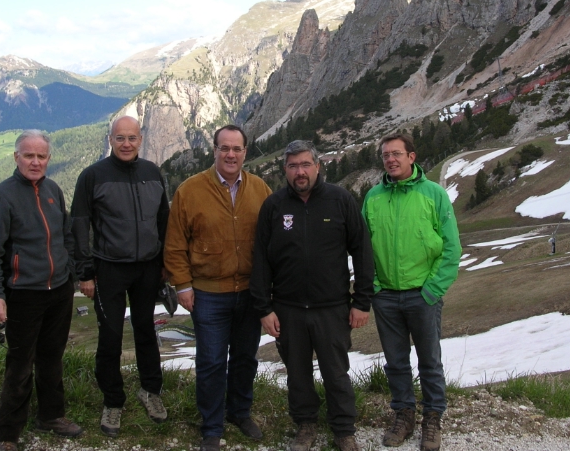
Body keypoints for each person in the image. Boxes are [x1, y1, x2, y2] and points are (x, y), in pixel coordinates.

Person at [251, 140, 374, 451]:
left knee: (336, 373)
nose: (300, 172)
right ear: (285, 170)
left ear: (318, 166)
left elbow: (362, 251)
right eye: (293, 166)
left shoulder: (340, 199)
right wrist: (264, 308)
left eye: (306, 164)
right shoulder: (274, 206)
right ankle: (305, 425)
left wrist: (362, 301)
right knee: (297, 374)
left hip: (332, 307)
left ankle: (343, 430)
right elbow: (261, 259)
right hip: (288, 308)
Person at [164, 124, 272, 451]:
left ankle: (240, 412)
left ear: (245, 153)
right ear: (214, 151)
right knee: (211, 361)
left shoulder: (260, 189)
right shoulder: (190, 190)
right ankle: (211, 426)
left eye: (236, 149)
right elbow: (175, 245)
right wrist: (183, 285)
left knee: (245, 358)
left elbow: (272, 242)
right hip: (208, 293)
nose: (230, 154)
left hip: (250, 293)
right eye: (224, 148)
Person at [0, 130, 83, 451]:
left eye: (41, 156)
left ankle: (51, 416)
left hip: (59, 290)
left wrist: (70, 272)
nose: (35, 162)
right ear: (16, 157)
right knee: (20, 363)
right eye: (29, 155)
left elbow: (65, 234)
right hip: (23, 293)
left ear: (48, 159)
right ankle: (7, 434)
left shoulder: (53, 190)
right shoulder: (2, 196)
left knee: (52, 357)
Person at [71, 116, 170, 437]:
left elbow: (164, 220)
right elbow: (79, 225)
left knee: (146, 330)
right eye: (120, 138)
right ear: (110, 139)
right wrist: (85, 273)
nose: (126, 144)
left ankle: (150, 391)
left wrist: (165, 263)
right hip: (109, 268)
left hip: (148, 267)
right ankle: (113, 401)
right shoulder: (92, 176)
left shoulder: (152, 172)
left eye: (132, 138)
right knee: (110, 336)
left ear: (140, 139)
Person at [361, 133, 461, 451]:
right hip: (386, 296)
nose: (390, 160)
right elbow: (362, 248)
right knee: (396, 362)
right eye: (385, 155)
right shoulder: (373, 197)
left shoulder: (434, 194)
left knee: (429, 361)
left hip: (423, 295)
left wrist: (432, 290)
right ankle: (404, 415)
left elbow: (451, 248)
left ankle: (433, 418)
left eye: (396, 154)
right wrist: (375, 287)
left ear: (411, 157)